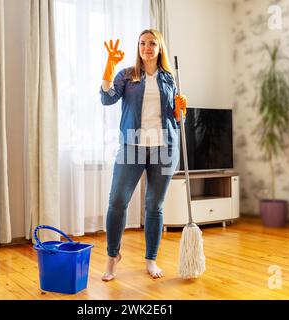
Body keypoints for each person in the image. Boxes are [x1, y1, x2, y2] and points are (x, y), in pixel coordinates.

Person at [99, 29, 187, 281]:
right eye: (142, 43)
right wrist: (109, 65)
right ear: (138, 47)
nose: (146, 47)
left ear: (159, 48)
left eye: (152, 43)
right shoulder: (127, 75)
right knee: (117, 201)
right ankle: (112, 256)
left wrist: (182, 109)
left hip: (165, 148)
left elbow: (176, 120)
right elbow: (107, 98)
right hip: (132, 146)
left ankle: (151, 259)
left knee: (154, 206)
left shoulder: (169, 79)